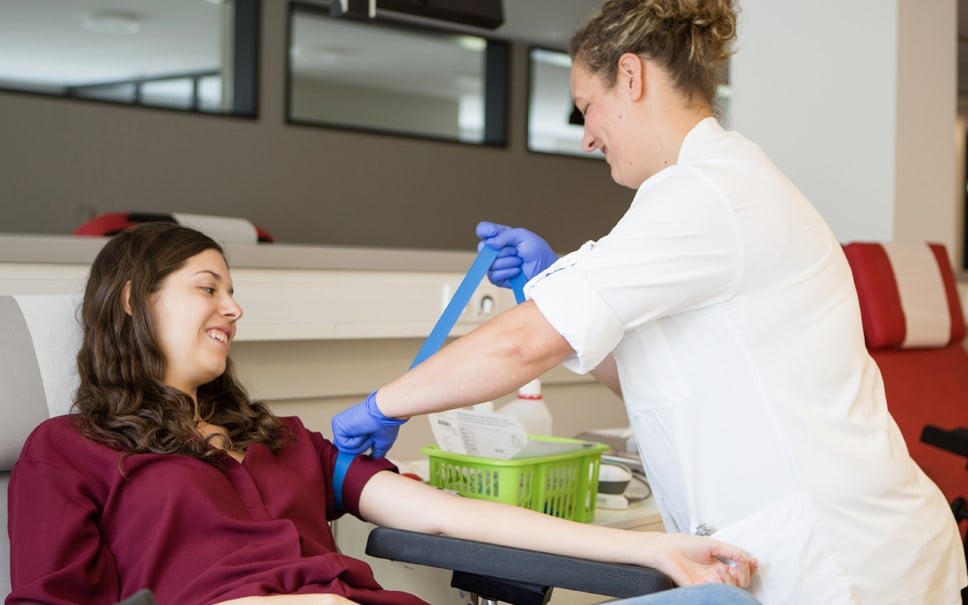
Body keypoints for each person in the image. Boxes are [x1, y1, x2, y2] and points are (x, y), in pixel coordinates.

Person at [330, 0, 968, 604]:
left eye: (587, 108)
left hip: (843, 561)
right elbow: (654, 384)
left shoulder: (705, 194)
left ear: (630, 76)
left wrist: (383, 404)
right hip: (816, 549)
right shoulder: (709, 193)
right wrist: (550, 282)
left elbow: (522, 342)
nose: (586, 137)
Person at [5, 222, 758, 605]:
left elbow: (451, 516)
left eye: (231, 289)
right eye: (208, 287)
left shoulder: (285, 443)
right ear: (135, 301)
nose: (233, 308)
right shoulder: (68, 449)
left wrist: (653, 552)